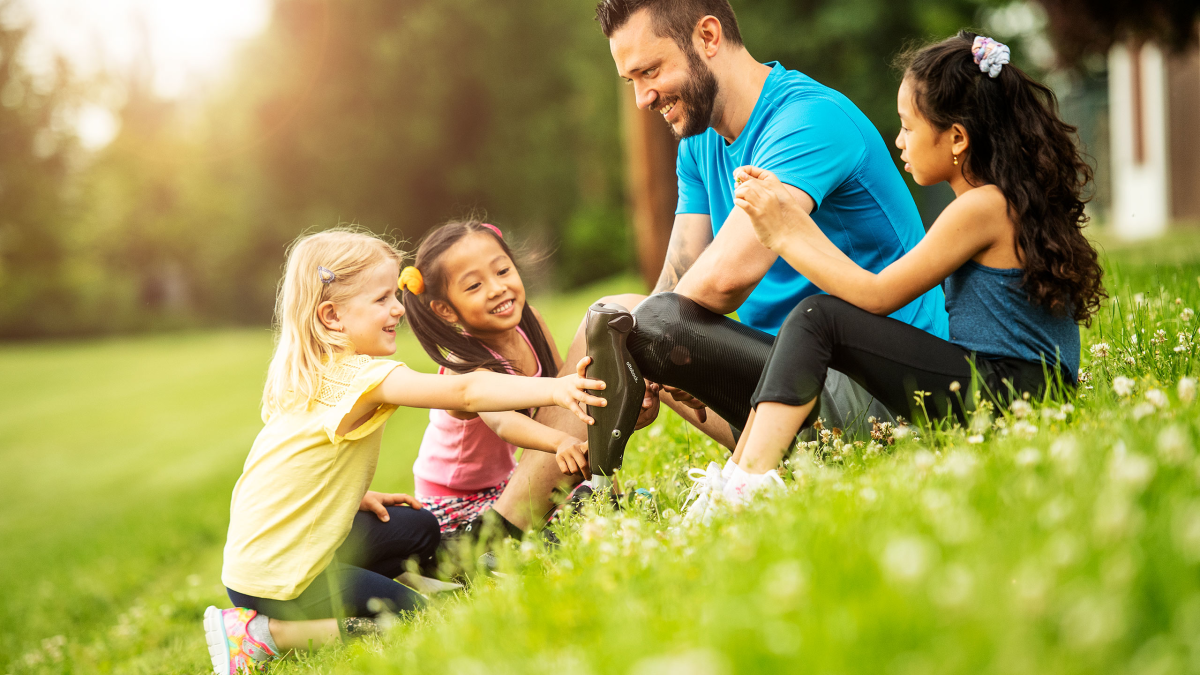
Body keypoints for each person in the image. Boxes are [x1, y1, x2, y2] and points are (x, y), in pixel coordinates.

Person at [458, 0, 952, 536]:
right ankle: (504, 534)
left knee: (636, 326)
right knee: (615, 318)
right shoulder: (699, 143)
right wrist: (630, 353)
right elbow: (675, 281)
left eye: (650, 71)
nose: (643, 96)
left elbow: (724, 278)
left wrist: (642, 353)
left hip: (882, 396)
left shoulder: (807, 120)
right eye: (631, 79)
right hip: (785, 388)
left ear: (709, 36)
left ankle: (548, 516)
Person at [719, 32, 1106, 505]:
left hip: (1008, 397)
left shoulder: (981, 208)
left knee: (817, 317)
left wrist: (784, 231)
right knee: (819, 317)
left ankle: (745, 485)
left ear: (957, 138)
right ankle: (737, 476)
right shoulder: (1002, 202)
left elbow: (877, 294)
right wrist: (787, 219)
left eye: (908, 126)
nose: (899, 141)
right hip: (1023, 392)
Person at [202, 229, 606, 675]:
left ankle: (368, 583)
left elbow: (284, 473)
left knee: (418, 527)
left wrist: (353, 499)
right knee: (419, 620)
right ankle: (259, 635)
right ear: (332, 316)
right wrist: (557, 388)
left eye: (394, 294)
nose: (397, 309)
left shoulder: (318, 372)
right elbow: (466, 389)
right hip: (282, 575)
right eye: (381, 300)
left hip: (270, 551)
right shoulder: (361, 378)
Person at [401, 220, 591, 535]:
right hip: (453, 501)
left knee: (584, 501)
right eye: (474, 286)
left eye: (502, 271)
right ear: (446, 310)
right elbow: (504, 423)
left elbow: (560, 391)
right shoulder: (465, 362)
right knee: (550, 531)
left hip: (501, 482)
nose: (497, 288)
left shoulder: (531, 323)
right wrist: (561, 441)